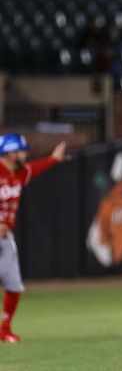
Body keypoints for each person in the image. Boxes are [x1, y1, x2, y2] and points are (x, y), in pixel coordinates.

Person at [0, 134, 66, 342]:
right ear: (10, 153)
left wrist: (54, 158)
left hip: (5, 239)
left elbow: (36, 168)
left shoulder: (18, 173)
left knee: (13, 285)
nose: (25, 154)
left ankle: (4, 329)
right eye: (21, 150)